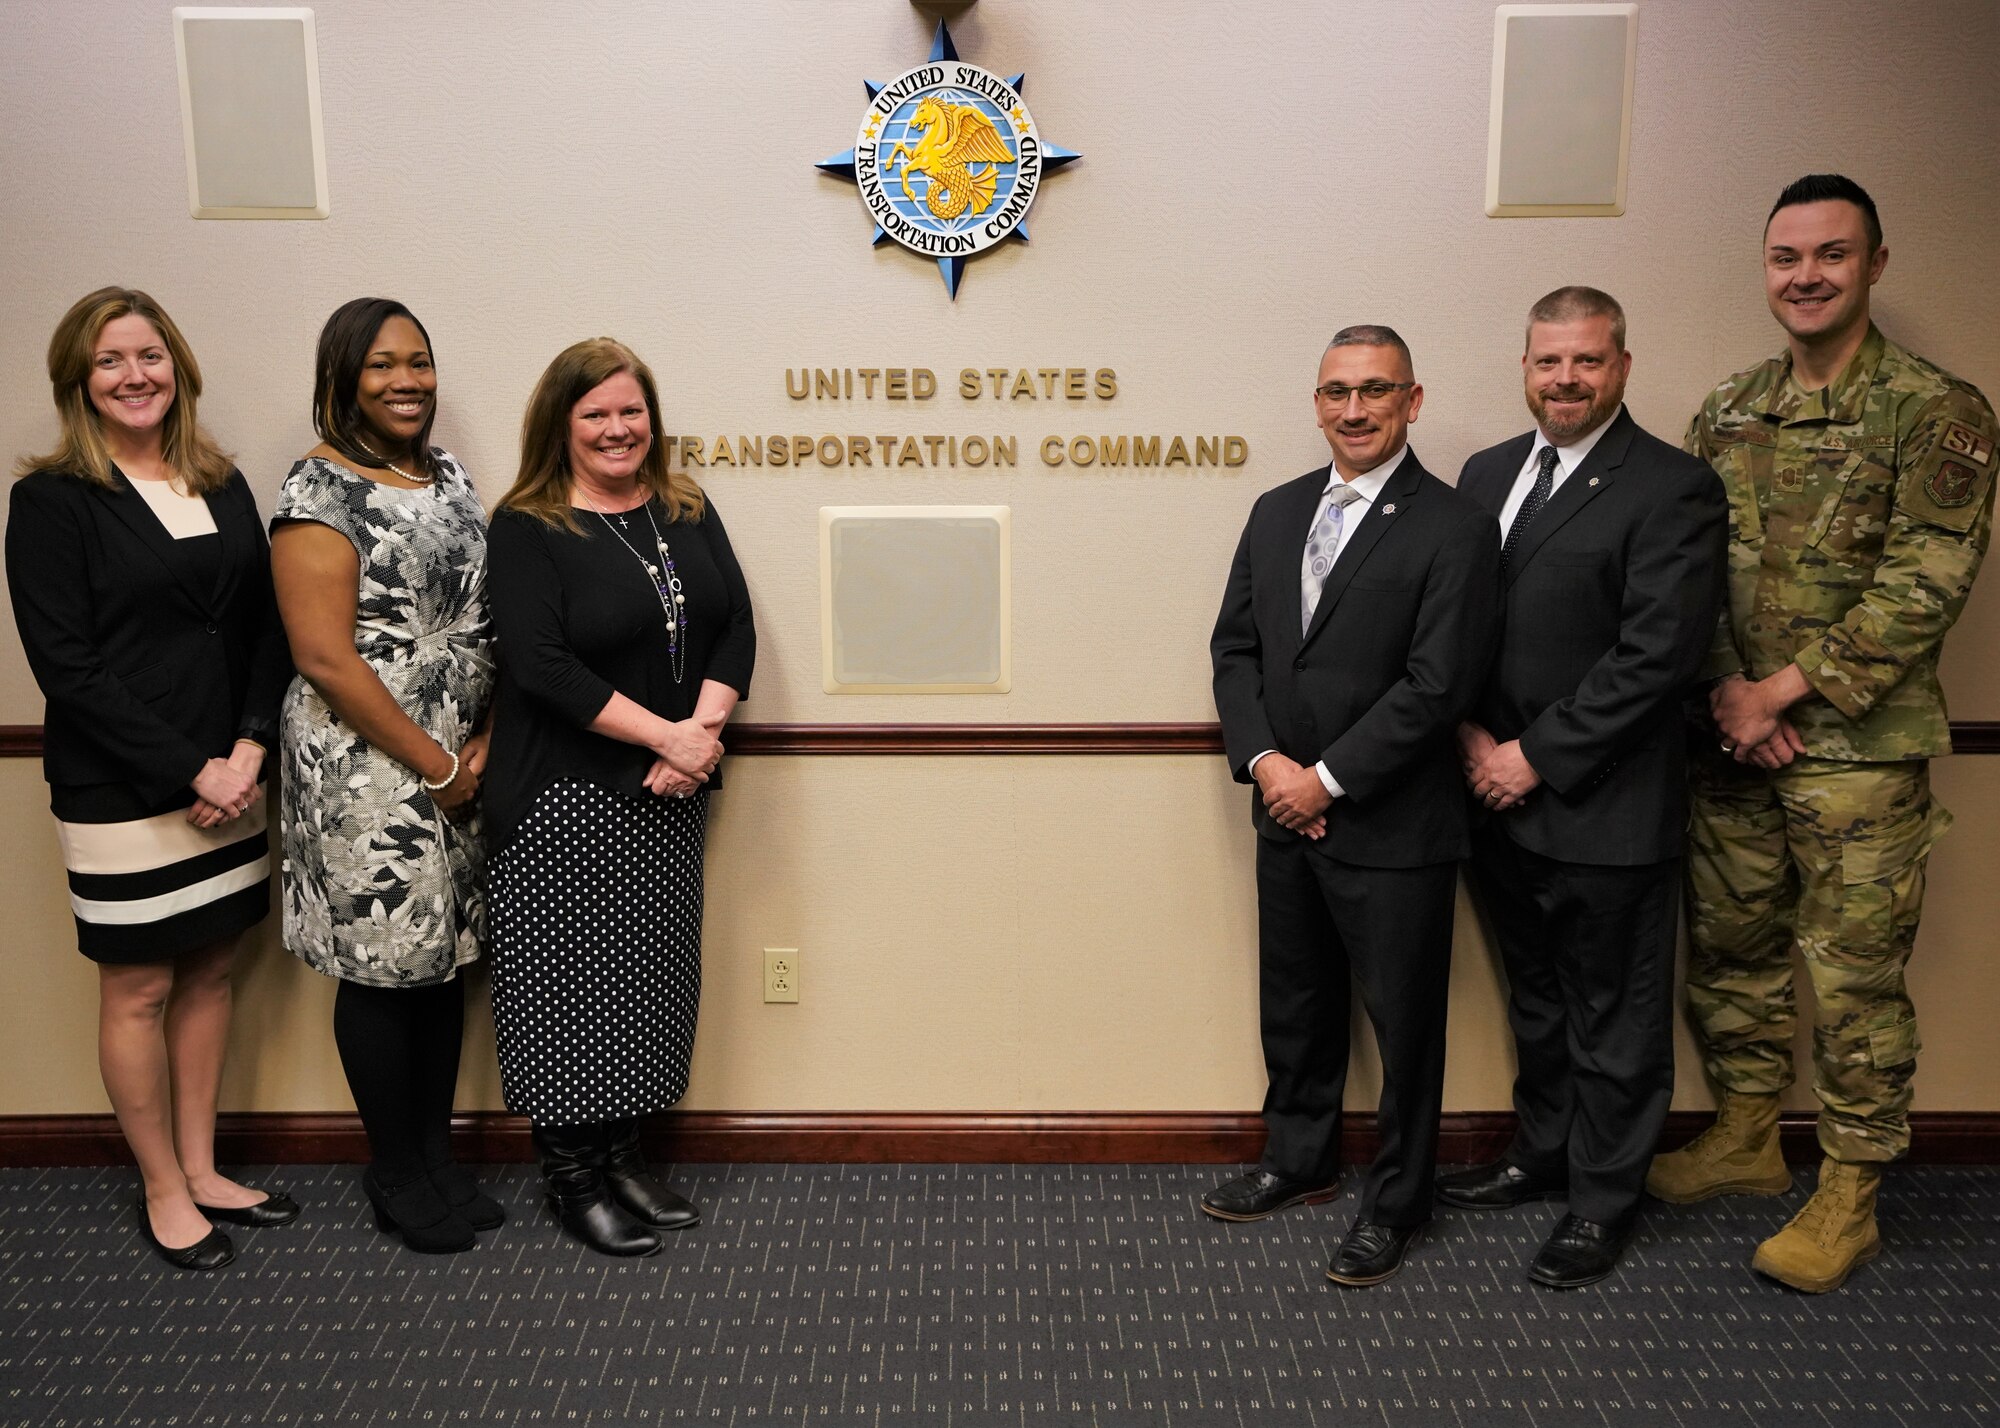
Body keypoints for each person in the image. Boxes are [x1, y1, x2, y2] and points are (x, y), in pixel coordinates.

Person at [1649, 175, 1997, 1292]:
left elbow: (1923, 582)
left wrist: (1783, 692)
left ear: (1873, 266)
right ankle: (1749, 1137)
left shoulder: (1934, 410)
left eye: (1829, 256)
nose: (1803, 276)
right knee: (1732, 952)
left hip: (1858, 752)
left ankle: (1848, 1191)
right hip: (1730, 737)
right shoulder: (1725, 407)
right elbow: (1683, 572)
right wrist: (1727, 697)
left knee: (1851, 979)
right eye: (1784, 257)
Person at [6, 287, 297, 1271]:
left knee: (212, 970)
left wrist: (250, 749)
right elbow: (66, 667)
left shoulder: (219, 480)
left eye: (150, 356)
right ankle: (163, 1188)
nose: (135, 376)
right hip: (124, 790)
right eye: (110, 361)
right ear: (77, 382)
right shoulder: (50, 501)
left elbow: (264, 627)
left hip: (236, 779)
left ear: (179, 366)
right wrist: (191, 768)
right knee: (137, 990)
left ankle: (204, 1167)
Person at [1444, 287, 1728, 1287]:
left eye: (1585, 362)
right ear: (1522, 366)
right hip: (1490, 794)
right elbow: (1457, 620)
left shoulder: (1669, 486)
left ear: (1620, 365)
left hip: (1601, 801)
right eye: (1546, 361)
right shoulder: (1482, 475)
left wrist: (1532, 756)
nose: (1564, 379)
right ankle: (1540, 1154)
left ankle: (1602, 1199)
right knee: (1536, 998)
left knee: (1613, 1012)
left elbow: (1654, 658)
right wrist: (1474, 735)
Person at [1207, 326, 1499, 1286]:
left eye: (1376, 391)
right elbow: (1236, 651)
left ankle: (1399, 1203)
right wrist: (1264, 764)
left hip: (1392, 824)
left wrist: (1322, 780)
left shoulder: (1453, 524)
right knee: (1294, 1003)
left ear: (1413, 401)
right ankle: (1299, 1161)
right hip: (1279, 808)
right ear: (1317, 401)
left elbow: (1437, 683)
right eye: (1337, 392)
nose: (1354, 410)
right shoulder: (1276, 509)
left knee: (1406, 1025)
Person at [485, 338, 754, 1257]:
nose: (616, 428)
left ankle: (627, 1155)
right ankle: (573, 1177)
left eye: (629, 411)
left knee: (647, 983)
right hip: (563, 800)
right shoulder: (526, 526)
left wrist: (702, 737)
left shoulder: (684, 505)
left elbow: (738, 625)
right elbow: (541, 664)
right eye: (595, 413)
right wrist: (667, 736)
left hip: (670, 793)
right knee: (568, 991)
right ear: (560, 423)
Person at [270, 298, 498, 1255]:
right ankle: (395, 1169)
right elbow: (325, 658)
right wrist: (437, 761)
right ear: (342, 379)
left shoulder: (447, 474)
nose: (407, 381)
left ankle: (437, 1157)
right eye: (381, 367)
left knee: (442, 962)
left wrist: (478, 743)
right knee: (382, 969)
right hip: (368, 768)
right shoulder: (317, 493)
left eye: (419, 362)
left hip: (460, 757)